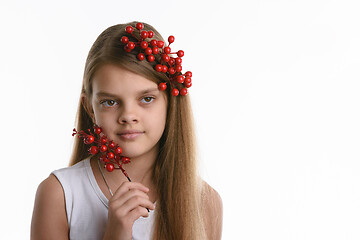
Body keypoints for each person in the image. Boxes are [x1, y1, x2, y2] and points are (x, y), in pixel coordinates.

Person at [31, 21, 223, 240]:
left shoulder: (204, 202)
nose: (128, 115)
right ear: (89, 108)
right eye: (110, 102)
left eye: (147, 99)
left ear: (171, 103)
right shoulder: (59, 195)